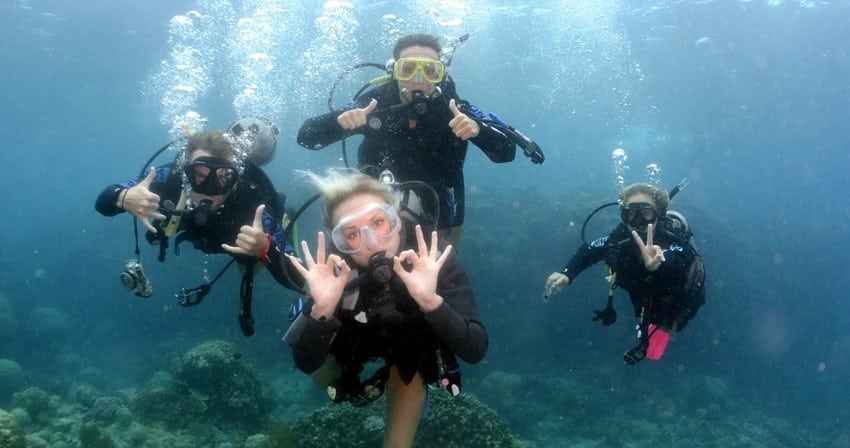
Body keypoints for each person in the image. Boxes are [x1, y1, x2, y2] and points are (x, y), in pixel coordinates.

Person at [283, 170, 487, 447]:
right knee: (322, 379)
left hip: (410, 349)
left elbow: (475, 349)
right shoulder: (334, 273)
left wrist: (431, 302)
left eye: (379, 222)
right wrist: (323, 309)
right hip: (355, 337)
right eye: (351, 234)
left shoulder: (434, 258)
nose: (371, 241)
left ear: (397, 220)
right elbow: (305, 363)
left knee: (407, 379)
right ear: (339, 243)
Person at [296, 33, 523, 247]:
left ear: (441, 74)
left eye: (430, 71)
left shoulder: (454, 108)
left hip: (442, 213)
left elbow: (507, 152)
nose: (417, 79)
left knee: (442, 279)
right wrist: (341, 121)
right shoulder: (374, 103)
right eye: (407, 69)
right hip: (374, 210)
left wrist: (478, 129)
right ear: (394, 71)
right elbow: (306, 137)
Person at [94, 128, 301, 336]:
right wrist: (123, 197)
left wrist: (265, 248)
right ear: (186, 171)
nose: (209, 187)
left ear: (235, 178)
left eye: (223, 177)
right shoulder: (171, 177)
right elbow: (103, 201)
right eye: (199, 175)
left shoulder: (254, 201)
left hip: (243, 245)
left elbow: (298, 278)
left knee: (248, 264)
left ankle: (285, 219)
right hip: (205, 232)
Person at [543, 183, 705, 364]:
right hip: (642, 295)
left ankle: (666, 329)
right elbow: (590, 250)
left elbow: (680, 260)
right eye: (631, 214)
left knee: (668, 327)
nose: (638, 221)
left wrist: (658, 264)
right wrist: (568, 274)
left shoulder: (671, 239)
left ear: (658, 214)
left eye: (646, 213)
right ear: (623, 216)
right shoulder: (618, 240)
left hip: (676, 299)